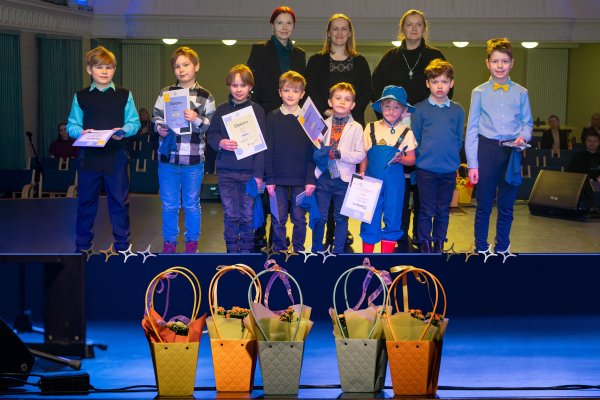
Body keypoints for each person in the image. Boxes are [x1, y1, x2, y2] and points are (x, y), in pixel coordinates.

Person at [371, 9, 452, 245]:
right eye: (409, 24)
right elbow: (376, 89)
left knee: (422, 177)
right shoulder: (390, 57)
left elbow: (446, 89)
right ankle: (399, 229)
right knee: (400, 179)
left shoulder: (435, 55)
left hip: (426, 126)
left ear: (424, 28)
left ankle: (420, 232)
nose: (414, 28)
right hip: (395, 126)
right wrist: (389, 117)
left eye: (418, 24)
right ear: (402, 29)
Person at [304, 13, 373, 249]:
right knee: (323, 202)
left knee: (342, 203)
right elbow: (311, 90)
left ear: (350, 33)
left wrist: (348, 110)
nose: (340, 33)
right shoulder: (316, 61)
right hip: (324, 122)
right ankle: (320, 243)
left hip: (349, 128)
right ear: (328, 32)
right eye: (335, 28)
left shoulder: (360, 61)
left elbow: (367, 91)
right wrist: (328, 112)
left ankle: (339, 240)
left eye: (344, 28)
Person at [66, 46, 140, 252]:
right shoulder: (80, 96)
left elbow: (134, 122)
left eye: (108, 67)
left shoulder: (124, 94)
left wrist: (124, 131)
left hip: (116, 154)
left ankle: (123, 245)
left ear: (114, 70)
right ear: (89, 70)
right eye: (99, 67)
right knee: (86, 202)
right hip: (88, 155)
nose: (104, 71)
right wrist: (80, 132)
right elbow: (72, 125)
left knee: (119, 202)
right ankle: (82, 245)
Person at [465, 38, 533, 254]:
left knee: (507, 205)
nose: (500, 65)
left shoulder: (521, 92)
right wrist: (472, 164)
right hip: (486, 151)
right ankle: (481, 248)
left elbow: (527, 123)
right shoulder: (479, 92)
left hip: (512, 153)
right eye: (495, 61)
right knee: (483, 205)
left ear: (512, 63)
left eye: (504, 61)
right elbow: (471, 129)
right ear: (488, 63)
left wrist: (522, 136)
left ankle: (502, 248)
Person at [247, 6, 306, 246]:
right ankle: (261, 228)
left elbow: (302, 87)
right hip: (266, 117)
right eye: (280, 22)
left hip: (291, 118)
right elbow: (251, 84)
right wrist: (257, 114)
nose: (284, 27)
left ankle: (278, 233)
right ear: (272, 25)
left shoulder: (300, 54)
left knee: (284, 176)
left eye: (288, 23)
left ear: (293, 26)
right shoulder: (259, 49)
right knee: (266, 174)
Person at [152, 47, 215, 254]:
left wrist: (196, 118)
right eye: (177, 66)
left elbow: (211, 126)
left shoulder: (206, 96)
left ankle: (191, 244)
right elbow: (156, 117)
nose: (181, 69)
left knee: (191, 205)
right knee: (169, 205)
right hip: (168, 158)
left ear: (196, 67)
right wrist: (159, 128)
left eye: (186, 64)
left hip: (193, 160)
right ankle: (170, 243)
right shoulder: (165, 93)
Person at [207, 65, 265, 253]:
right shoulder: (221, 109)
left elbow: (262, 146)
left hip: (249, 173)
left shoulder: (258, 111)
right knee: (231, 215)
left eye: (243, 85)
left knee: (247, 215)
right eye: (234, 85)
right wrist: (221, 142)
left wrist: (258, 175)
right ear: (228, 86)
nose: (239, 89)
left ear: (250, 87)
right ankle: (231, 252)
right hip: (226, 172)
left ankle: (246, 251)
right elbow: (211, 134)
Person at [412, 60, 465, 254]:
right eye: (435, 82)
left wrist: (450, 156)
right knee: (426, 210)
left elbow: (458, 139)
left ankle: (439, 244)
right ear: (427, 84)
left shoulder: (458, 110)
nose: (440, 86)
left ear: (451, 83)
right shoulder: (419, 109)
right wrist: (423, 158)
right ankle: (425, 245)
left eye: (444, 81)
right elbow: (416, 138)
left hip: (449, 170)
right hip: (426, 169)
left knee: (443, 210)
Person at [359, 86, 417, 253]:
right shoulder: (370, 128)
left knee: (393, 217)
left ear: (404, 110)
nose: (391, 111)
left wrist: (401, 159)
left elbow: (412, 159)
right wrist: (362, 172)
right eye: (387, 106)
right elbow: (364, 154)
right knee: (369, 217)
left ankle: (386, 259)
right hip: (371, 180)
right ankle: (367, 260)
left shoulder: (406, 132)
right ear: (380, 107)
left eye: (396, 107)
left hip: (395, 183)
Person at [264, 71, 316, 252]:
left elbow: (312, 151)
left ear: (302, 94)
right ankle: (279, 251)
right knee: (278, 218)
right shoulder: (272, 117)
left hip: (301, 179)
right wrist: (269, 178)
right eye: (286, 90)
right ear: (280, 92)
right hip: (277, 179)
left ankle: (298, 251)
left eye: (295, 91)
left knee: (299, 219)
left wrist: (310, 178)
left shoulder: (308, 118)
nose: (290, 95)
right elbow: (268, 149)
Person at [312, 83, 366, 254]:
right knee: (320, 218)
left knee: (341, 219)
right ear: (330, 102)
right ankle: (316, 251)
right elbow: (316, 150)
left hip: (343, 180)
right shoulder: (321, 125)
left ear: (353, 105)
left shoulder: (357, 127)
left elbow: (360, 155)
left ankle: (339, 253)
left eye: (347, 99)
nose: (342, 102)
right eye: (338, 98)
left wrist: (340, 154)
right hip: (323, 177)